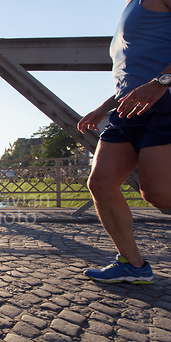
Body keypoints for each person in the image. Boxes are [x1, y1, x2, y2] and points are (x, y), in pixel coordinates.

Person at [78, 0, 171, 284]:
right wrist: (104, 107)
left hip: (163, 103)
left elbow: (152, 78)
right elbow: (131, 73)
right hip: (126, 111)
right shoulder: (129, 6)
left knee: (158, 193)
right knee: (101, 184)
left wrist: (162, 82)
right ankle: (133, 265)